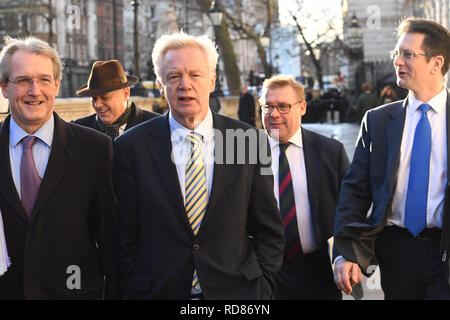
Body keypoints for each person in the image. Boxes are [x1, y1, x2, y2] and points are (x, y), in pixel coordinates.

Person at [113, 32, 284, 299]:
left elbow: (269, 229)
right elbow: (124, 235)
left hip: (237, 294)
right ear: (160, 85)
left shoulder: (249, 142)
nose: (185, 85)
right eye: (173, 76)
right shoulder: (131, 147)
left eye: (195, 75)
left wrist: (263, 288)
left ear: (212, 80)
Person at [334, 17, 450, 299]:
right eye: (396, 53)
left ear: (436, 63)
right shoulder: (378, 121)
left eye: (408, 54)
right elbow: (355, 191)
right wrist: (344, 252)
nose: (397, 61)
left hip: (444, 254)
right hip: (395, 252)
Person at [0, 36, 117, 299]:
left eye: (43, 80)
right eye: (22, 80)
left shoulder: (95, 148)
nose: (34, 90)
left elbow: (111, 238)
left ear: (56, 85)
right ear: (4, 88)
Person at [260, 75, 349, 299]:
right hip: (264, 275)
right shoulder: (245, 152)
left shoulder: (330, 152)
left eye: (283, 106)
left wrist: (347, 255)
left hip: (318, 272)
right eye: (268, 106)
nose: (274, 114)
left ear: (302, 108)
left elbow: (350, 209)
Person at [73, 60, 159, 139]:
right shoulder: (77, 130)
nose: (97, 104)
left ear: (126, 93)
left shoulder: (157, 126)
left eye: (105, 97)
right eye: (94, 98)